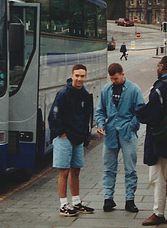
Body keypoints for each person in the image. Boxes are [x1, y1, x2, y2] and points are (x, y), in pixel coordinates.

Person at [135, 55, 167, 227]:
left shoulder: (161, 87)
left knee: (157, 177)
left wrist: (138, 110)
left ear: (162, 67)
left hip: (161, 139)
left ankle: (158, 213)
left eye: (158, 66)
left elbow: (152, 112)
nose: (157, 69)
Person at [95, 62, 144, 213]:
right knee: (108, 168)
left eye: (115, 78)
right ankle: (108, 199)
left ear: (123, 74)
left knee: (130, 169)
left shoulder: (134, 89)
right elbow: (100, 110)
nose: (113, 81)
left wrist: (132, 126)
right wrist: (100, 124)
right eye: (111, 79)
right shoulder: (106, 89)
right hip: (110, 133)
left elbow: (140, 110)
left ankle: (130, 200)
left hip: (127, 133)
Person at [48, 64, 95, 217]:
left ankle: (76, 202)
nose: (79, 78)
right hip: (64, 138)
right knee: (64, 171)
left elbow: (87, 116)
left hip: (78, 138)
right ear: (72, 75)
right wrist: (61, 133)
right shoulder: (62, 94)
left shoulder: (85, 95)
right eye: (77, 75)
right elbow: (53, 116)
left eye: (82, 76)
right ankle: (63, 205)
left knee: (76, 170)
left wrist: (85, 134)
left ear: (86, 77)